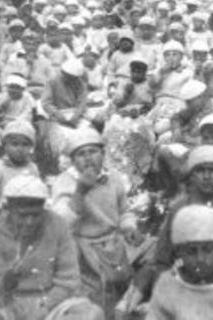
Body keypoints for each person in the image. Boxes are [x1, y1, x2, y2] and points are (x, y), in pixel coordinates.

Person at [0, 175, 103, 320]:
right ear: (10, 210)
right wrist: (5, 283)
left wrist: (45, 307)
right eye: (23, 215)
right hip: (9, 305)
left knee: (90, 314)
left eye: (36, 215)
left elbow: (69, 281)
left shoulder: (58, 226)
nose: (30, 222)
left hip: (51, 303)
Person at [134, 146, 213, 302]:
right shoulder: (178, 210)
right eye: (200, 171)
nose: (206, 177)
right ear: (192, 175)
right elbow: (162, 260)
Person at [51, 128, 142, 315]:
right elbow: (61, 224)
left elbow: (124, 210)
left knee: (135, 271)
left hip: (113, 242)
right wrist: (80, 192)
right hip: (83, 248)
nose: (88, 158)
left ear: (103, 154)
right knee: (94, 295)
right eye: (81, 154)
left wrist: (128, 226)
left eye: (93, 151)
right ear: (73, 160)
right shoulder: (65, 182)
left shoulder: (113, 178)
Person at [0, 120, 40, 219]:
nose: (20, 149)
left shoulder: (32, 168)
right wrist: (4, 209)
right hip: (3, 217)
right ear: (5, 146)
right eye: (15, 144)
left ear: (31, 147)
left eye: (25, 144)